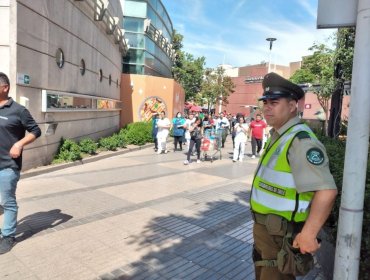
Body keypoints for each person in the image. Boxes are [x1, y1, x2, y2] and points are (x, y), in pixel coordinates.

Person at [250, 72, 337, 280]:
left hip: (281, 235)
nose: (267, 107)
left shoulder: (300, 141)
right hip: (267, 232)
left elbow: (327, 191)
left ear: (292, 106)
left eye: (274, 102)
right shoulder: (280, 135)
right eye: (265, 102)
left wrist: (308, 234)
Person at [0, 72, 41, 254]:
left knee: (8, 202)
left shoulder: (18, 110)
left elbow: (35, 130)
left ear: (5, 87)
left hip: (8, 166)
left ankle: (8, 236)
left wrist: (19, 143)